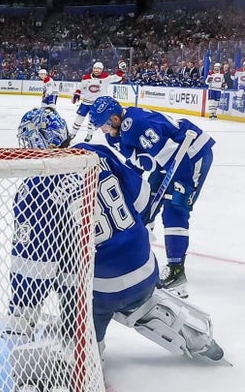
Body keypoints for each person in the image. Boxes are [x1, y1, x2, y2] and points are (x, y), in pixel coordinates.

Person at [5, 107, 221, 392]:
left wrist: (22, 314)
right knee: (133, 288)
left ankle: (81, 354)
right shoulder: (97, 153)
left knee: (75, 288)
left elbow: (33, 267)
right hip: (146, 267)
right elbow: (144, 198)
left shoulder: (34, 190)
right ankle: (186, 330)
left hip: (101, 291)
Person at [87, 95, 214, 297]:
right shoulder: (115, 134)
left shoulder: (136, 125)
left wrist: (183, 184)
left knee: (175, 208)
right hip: (168, 160)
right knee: (143, 208)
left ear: (115, 118)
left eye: (104, 124)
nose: (103, 130)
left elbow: (173, 156)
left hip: (191, 155)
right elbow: (140, 162)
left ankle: (176, 271)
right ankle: (140, 260)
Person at [71, 61, 109, 141]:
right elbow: (80, 86)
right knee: (79, 118)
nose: (96, 70)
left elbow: (117, 77)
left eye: (98, 69)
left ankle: (89, 134)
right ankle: (73, 133)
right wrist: (77, 93)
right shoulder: (86, 77)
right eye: (95, 68)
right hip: (85, 102)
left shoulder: (105, 78)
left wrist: (121, 71)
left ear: (101, 70)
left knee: (91, 120)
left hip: (96, 104)